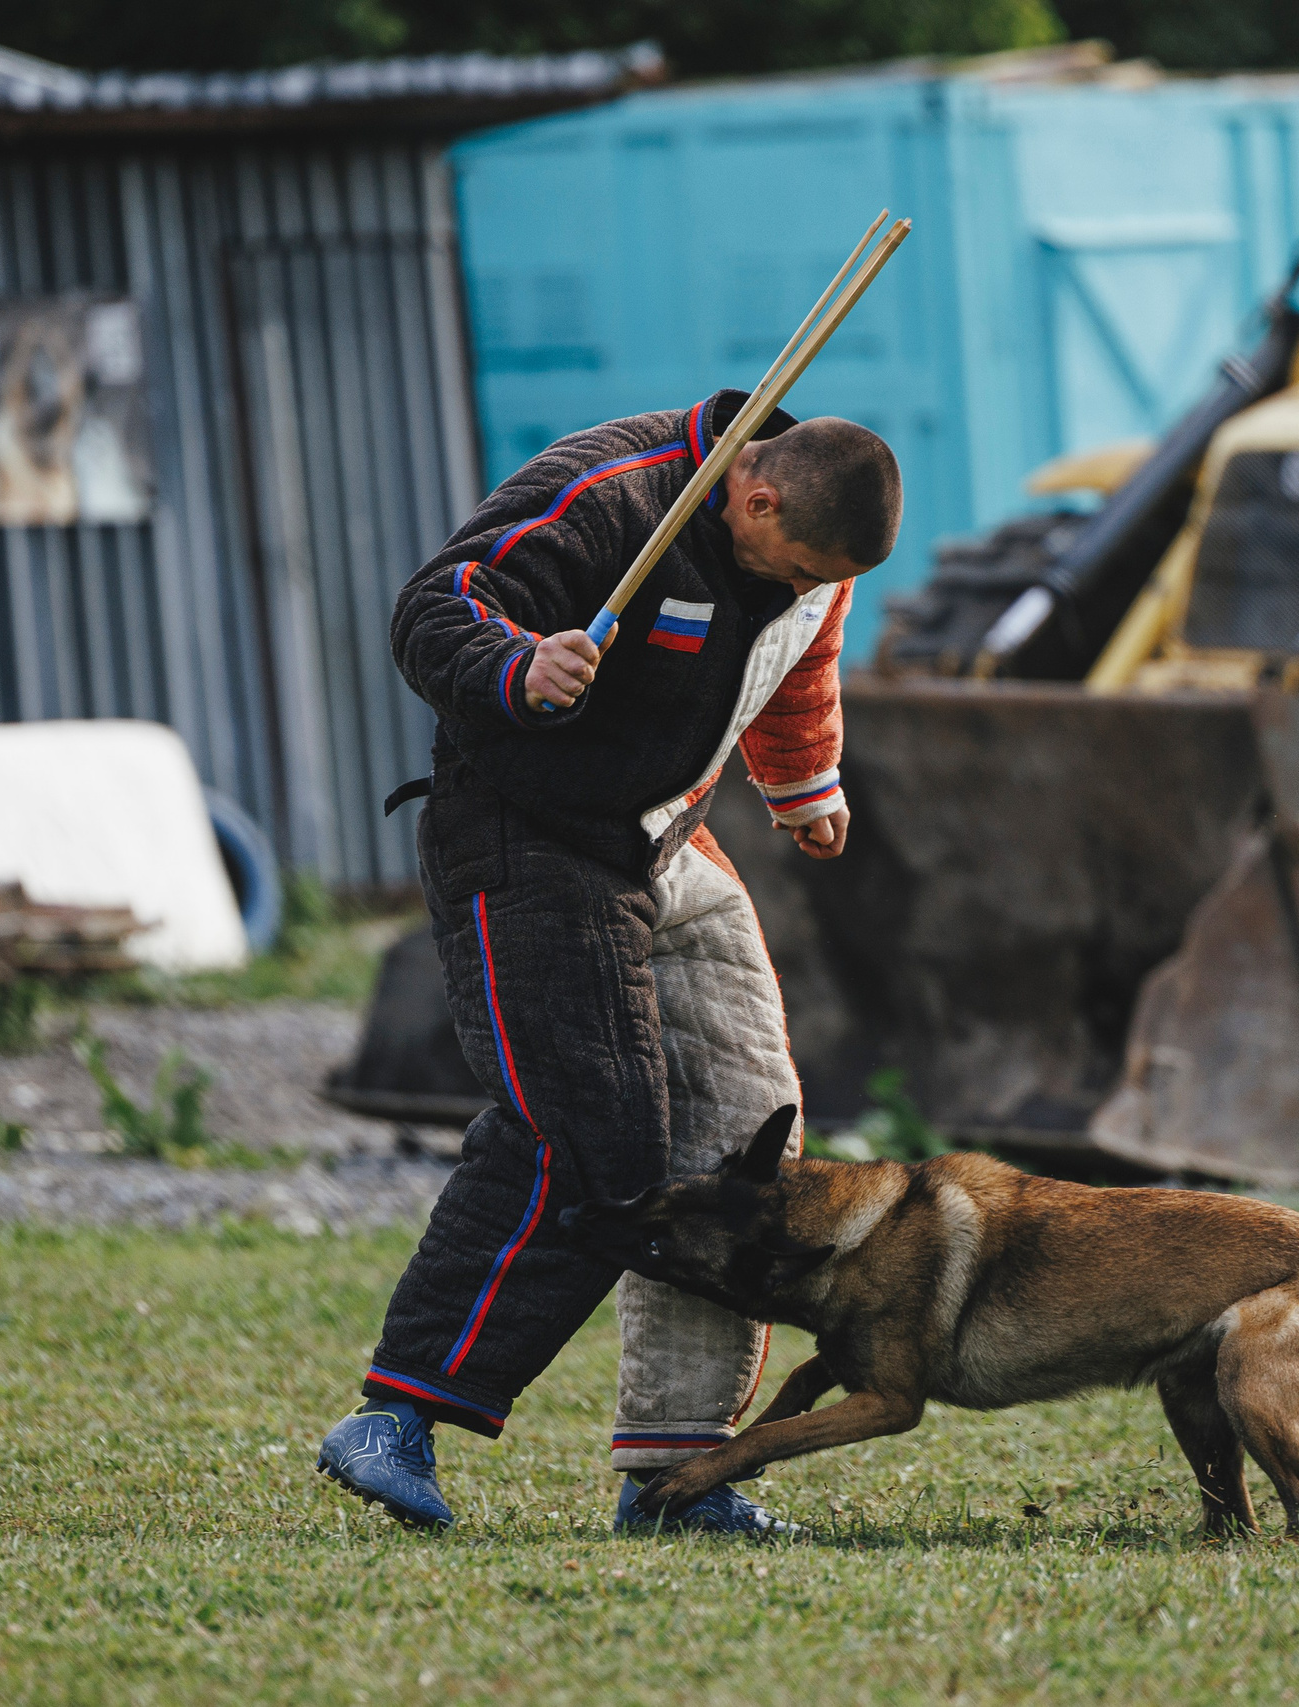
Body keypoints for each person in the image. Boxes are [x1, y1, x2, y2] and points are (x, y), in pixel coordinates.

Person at [316, 388, 901, 1536]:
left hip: (667, 835)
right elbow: (434, 604)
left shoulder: (807, 553)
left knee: (749, 1155)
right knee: (593, 1140)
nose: (797, 589)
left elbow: (800, 653)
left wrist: (804, 787)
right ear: (755, 490)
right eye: (790, 564)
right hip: (528, 836)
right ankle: (396, 1418)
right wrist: (514, 666)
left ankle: (677, 1481)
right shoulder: (609, 496)